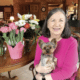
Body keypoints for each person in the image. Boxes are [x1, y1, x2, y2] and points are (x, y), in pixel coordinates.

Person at [33, 8, 78, 80]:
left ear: (65, 24)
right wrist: (38, 69)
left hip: (63, 78)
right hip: (43, 74)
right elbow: (37, 60)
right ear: (47, 24)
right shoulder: (42, 39)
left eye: (61, 20)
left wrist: (43, 77)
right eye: (53, 20)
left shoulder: (72, 42)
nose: (57, 24)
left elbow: (68, 72)